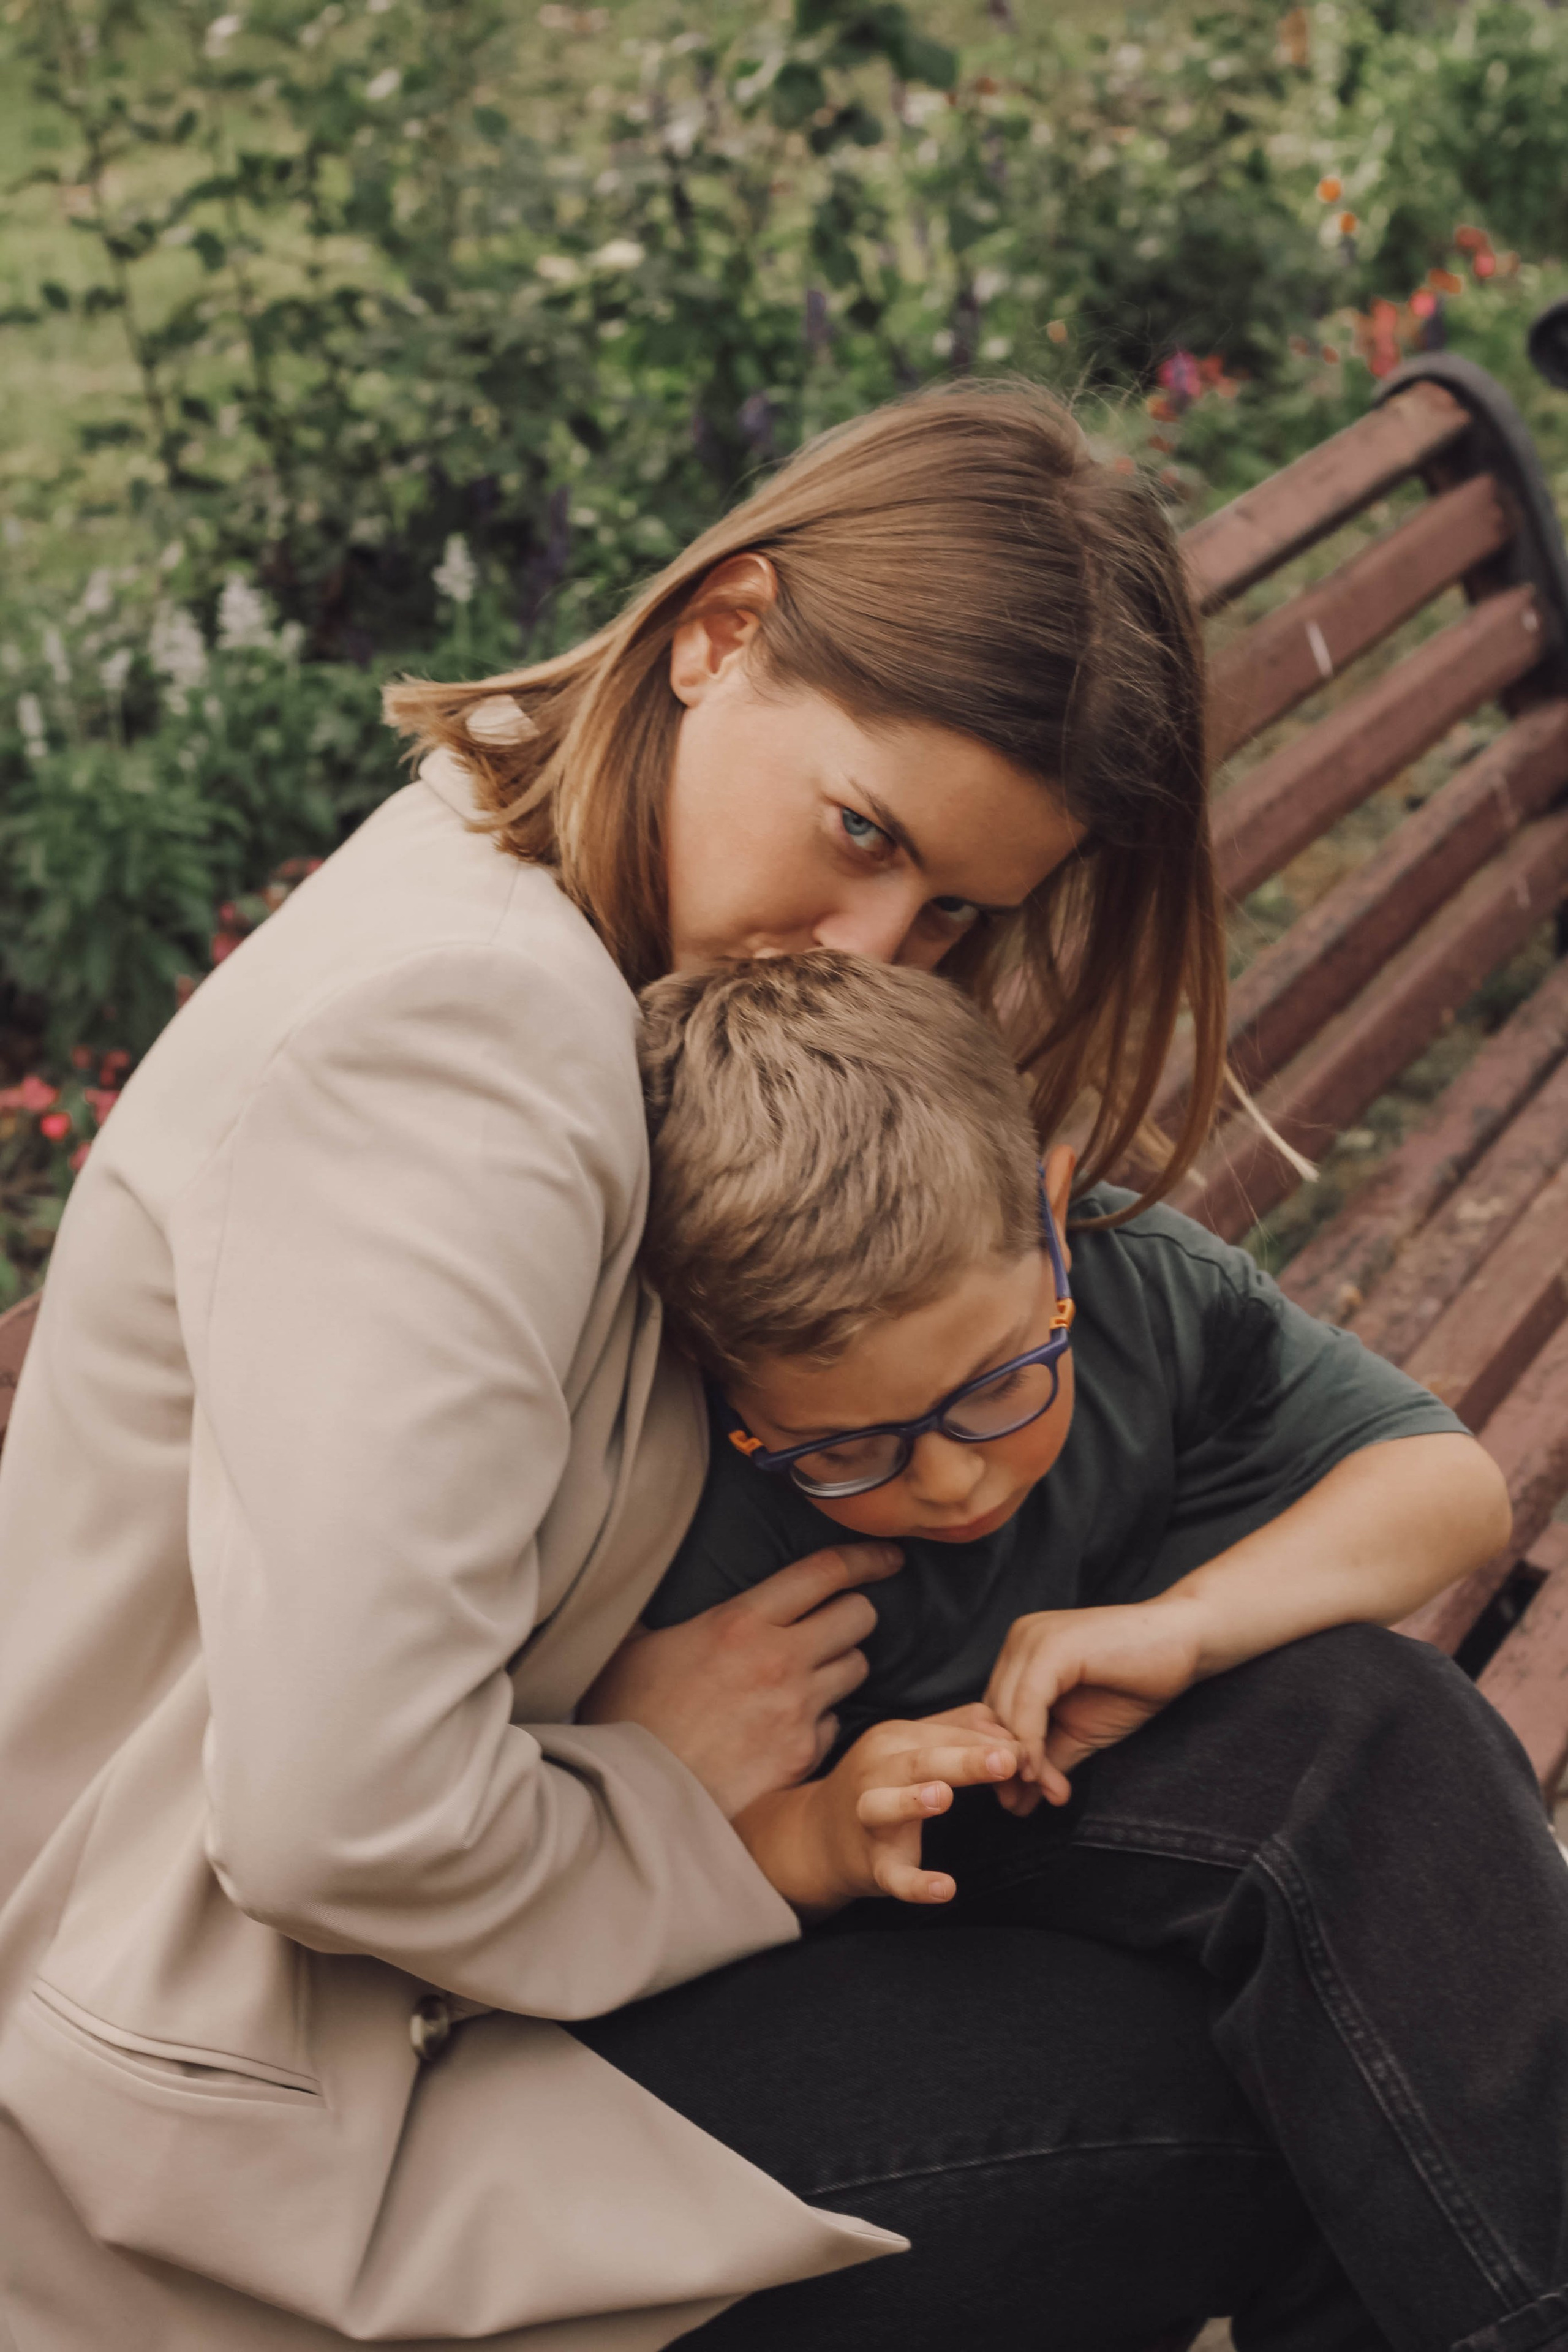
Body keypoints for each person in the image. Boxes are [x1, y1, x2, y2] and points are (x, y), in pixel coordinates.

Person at [0, 375, 1549, 2352]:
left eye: (953, 909)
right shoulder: (456, 1048)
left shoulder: (570, 940)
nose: (874, 945)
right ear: (719, 630)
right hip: (287, 2144)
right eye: (858, 834)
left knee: (1362, 1750)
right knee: (1298, 2095)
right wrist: (681, 1798)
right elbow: (339, 1820)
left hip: (513, 1967)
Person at [632, 948, 1507, 1896]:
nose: (948, 1481)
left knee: (1392, 1715)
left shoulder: (1137, 1281)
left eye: (996, 1387)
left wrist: (1186, 1626)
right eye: (845, 1451)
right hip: (941, 1923)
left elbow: (1453, 1490)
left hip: (1193, 1794)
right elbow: (679, 1838)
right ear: (711, 1375)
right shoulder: (703, 1503)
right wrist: (821, 1831)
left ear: (1054, 1223)